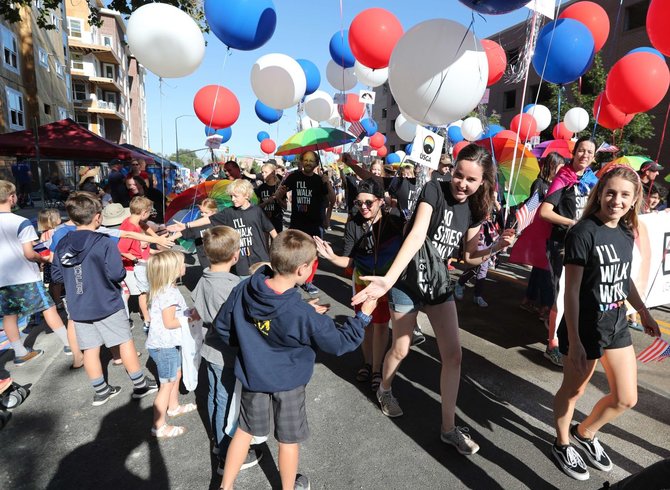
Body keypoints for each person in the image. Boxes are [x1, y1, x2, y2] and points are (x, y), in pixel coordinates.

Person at [351, 144, 515, 455]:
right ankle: (384, 388)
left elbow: (468, 257)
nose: (462, 184)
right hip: (408, 280)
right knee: (400, 348)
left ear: (483, 181)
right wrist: (388, 279)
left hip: (438, 284)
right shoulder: (433, 189)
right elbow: (415, 236)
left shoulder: (478, 209)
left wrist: (496, 248)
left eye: (470, 180)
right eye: (458, 175)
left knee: (453, 355)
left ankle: (448, 429)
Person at [216, 229, 378, 490]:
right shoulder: (301, 313)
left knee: (244, 430)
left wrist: (249, 345)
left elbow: (223, 326)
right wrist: (363, 316)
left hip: (252, 375)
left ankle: (225, 486)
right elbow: (340, 343)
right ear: (303, 270)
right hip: (289, 382)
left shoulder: (245, 287)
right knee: (288, 440)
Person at [551, 165, 660, 481]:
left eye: (625, 194)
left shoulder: (626, 231)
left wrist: (642, 311)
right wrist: (574, 341)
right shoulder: (583, 232)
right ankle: (561, 442)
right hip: (584, 329)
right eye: (610, 192)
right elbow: (570, 291)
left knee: (627, 397)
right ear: (600, 194)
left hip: (616, 325)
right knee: (572, 392)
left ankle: (585, 432)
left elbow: (623, 279)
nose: (617, 200)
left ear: (634, 198)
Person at [51, 192, 158, 406]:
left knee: (90, 348)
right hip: (107, 301)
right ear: (98, 217)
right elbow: (117, 274)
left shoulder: (62, 243)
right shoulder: (104, 241)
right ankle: (139, 384)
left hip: (78, 305)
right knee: (124, 341)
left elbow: (56, 276)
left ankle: (101, 390)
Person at [314, 178, 404, 391]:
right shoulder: (353, 223)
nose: (363, 207)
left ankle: (376, 369)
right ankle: (367, 362)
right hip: (362, 280)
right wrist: (332, 257)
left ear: (380, 201)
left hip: (384, 281)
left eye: (368, 203)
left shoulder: (394, 222)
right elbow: (350, 260)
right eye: (358, 203)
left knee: (382, 325)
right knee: (367, 324)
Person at [192, 226, 263, 473]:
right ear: (236, 256)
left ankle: (216, 441)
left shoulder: (203, 279)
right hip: (227, 355)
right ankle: (225, 450)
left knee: (214, 395)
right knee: (225, 399)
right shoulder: (234, 286)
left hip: (210, 350)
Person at [539, 137, 598, 367]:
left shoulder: (593, 181)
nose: (585, 155)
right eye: (581, 150)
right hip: (561, 245)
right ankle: (551, 344)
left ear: (594, 157)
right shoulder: (564, 177)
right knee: (561, 294)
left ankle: (569, 337)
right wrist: (572, 223)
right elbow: (544, 212)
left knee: (578, 294)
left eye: (589, 152)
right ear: (574, 153)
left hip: (584, 246)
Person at [0, 181, 71, 366]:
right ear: (12, 197)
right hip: (24, 275)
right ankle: (69, 343)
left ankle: (20, 352)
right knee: (48, 308)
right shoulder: (21, 222)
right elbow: (29, 253)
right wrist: (44, 260)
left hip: (2, 278)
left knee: (9, 315)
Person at [168, 179, 277, 277]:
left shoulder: (257, 211)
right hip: (241, 262)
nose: (233, 199)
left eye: (236, 196)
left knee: (262, 287)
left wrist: (278, 249)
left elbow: (270, 229)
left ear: (247, 195)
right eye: (231, 196)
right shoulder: (229, 212)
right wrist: (186, 225)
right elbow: (209, 220)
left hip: (260, 259)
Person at [145, 250, 199, 438]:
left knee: (176, 373)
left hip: (166, 343)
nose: (185, 267)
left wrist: (187, 314)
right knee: (166, 384)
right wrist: (190, 318)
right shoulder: (168, 293)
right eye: (182, 264)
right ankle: (158, 426)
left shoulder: (167, 288)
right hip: (164, 345)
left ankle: (173, 406)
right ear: (171, 270)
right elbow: (169, 323)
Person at [520, 152, 565, 320]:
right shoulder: (540, 183)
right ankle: (545, 306)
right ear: (551, 166)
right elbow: (532, 205)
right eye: (559, 166)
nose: (561, 169)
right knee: (546, 270)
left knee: (540, 269)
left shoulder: (555, 184)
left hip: (547, 232)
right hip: (539, 232)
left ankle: (529, 300)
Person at [117, 196, 155, 333]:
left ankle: (142, 312)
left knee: (141, 292)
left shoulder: (131, 221)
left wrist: (156, 238)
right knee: (143, 293)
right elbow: (121, 249)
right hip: (132, 267)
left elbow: (144, 226)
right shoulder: (131, 228)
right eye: (149, 212)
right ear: (144, 213)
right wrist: (136, 260)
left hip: (134, 265)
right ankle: (147, 319)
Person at [179, 198, 219, 269]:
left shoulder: (218, 222)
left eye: (206, 213)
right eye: (201, 212)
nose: (203, 214)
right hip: (203, 256)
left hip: (217, 255)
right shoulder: (198, 222)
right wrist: (170, 238)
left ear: (214, 212)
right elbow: (185, 232)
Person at [255, 163, 286, 234]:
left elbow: (285, 206)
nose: (263, 174)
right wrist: (266, 202)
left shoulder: (279, 188)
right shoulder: (261, 188)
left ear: (273, 173)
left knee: (275, 242)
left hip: (277, 219)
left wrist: (278, 198)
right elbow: (257, 207)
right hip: (264, 218)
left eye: (266, 172)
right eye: (262, 172)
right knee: (264, 242)